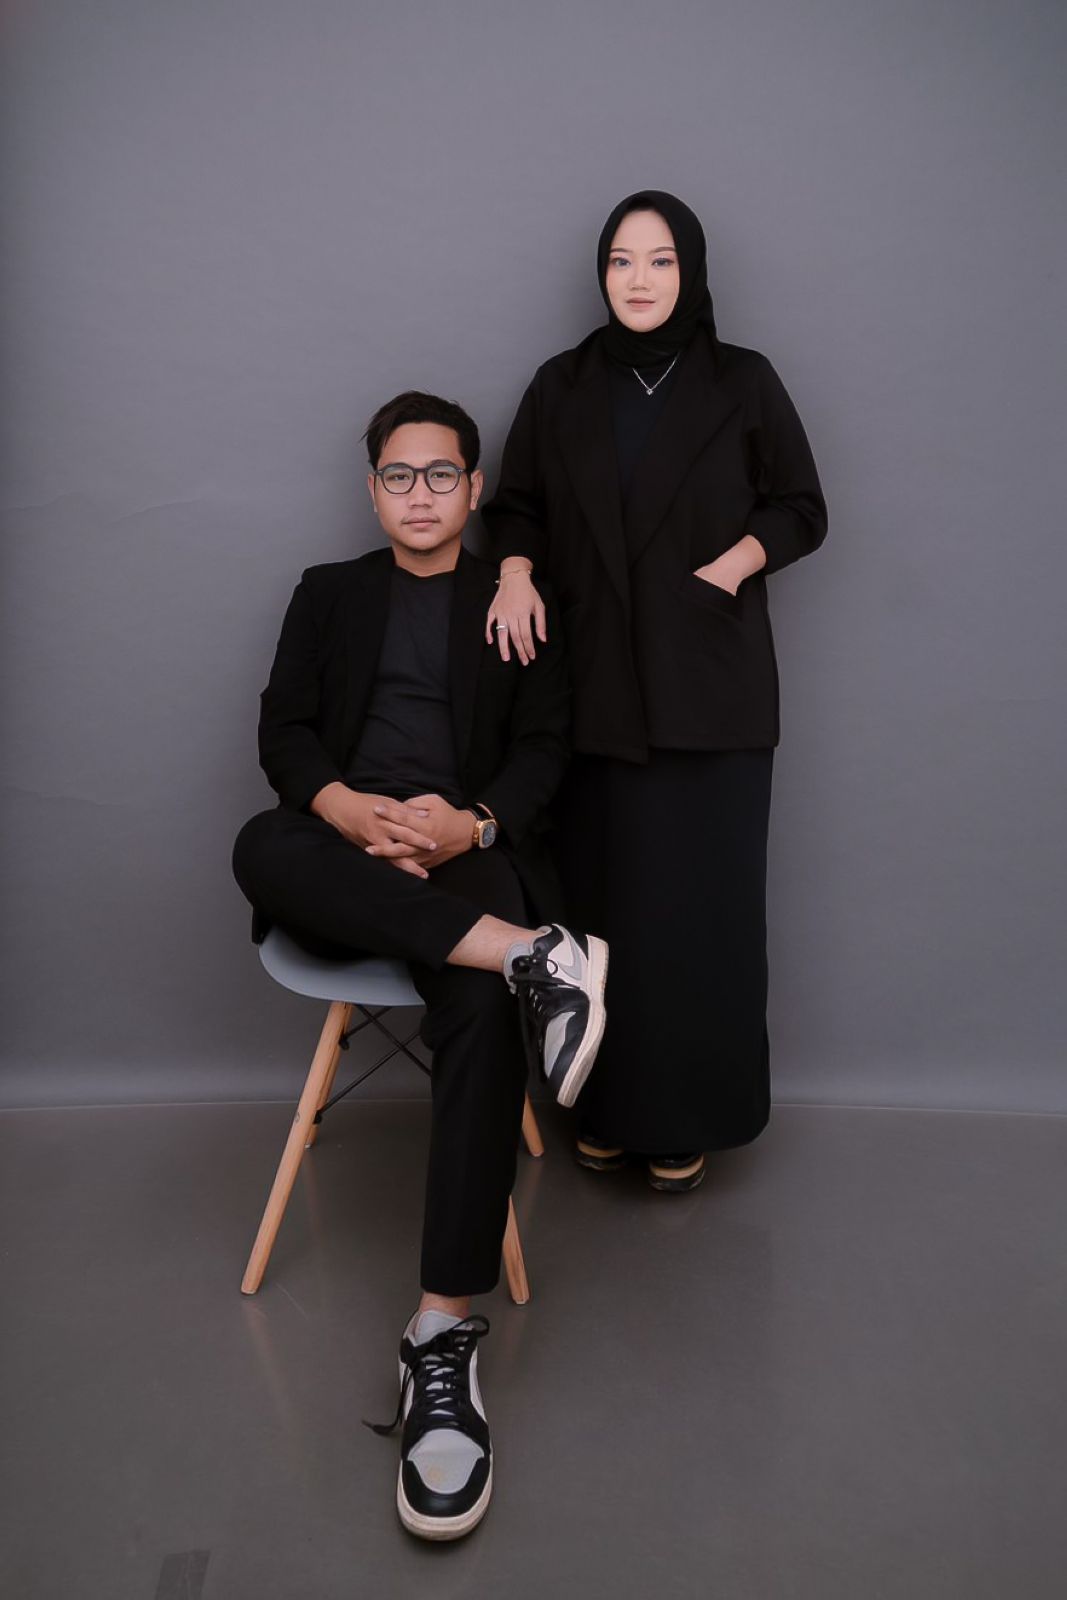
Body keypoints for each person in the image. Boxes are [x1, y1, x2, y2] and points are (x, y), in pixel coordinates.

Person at [232, 390, 608, 1541]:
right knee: (261, 844)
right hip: (345, 856)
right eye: (398, 475)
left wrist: (470, 826)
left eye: (441, 474)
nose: (420, 495)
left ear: (473, 487)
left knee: (480, 1011)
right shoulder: (327, 592)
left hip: (461, 855)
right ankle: (536, 956)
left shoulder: (513, 598)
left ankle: (439, 1334)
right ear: (372, 489)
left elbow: (545, 747)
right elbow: (284, 730)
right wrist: (349, 811)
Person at [482, 190, 827, 1193]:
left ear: (691, 271)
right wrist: (513, 573)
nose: (638, 280)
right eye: (621, 261)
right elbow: (516, 505)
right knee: (602, 915)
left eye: (661, 260)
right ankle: (607, 1112)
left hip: (709, 691)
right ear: (600, 273)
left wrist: (730, 569)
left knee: (700, 921)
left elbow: (801, 506)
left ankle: (688, 1121)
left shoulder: (741, 379)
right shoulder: (560, 385)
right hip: (590, 688)